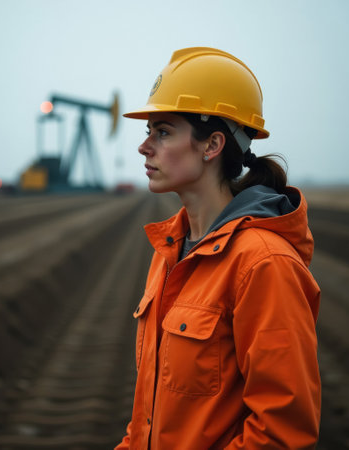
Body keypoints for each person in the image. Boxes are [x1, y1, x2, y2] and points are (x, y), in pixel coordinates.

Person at [116, 47, 321, 449]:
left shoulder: (263, 263)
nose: (145, 147)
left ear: (212, 145)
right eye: (148, 133)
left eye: (163, 132)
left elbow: (282, 433)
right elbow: (149, 418)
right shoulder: (170, 253)